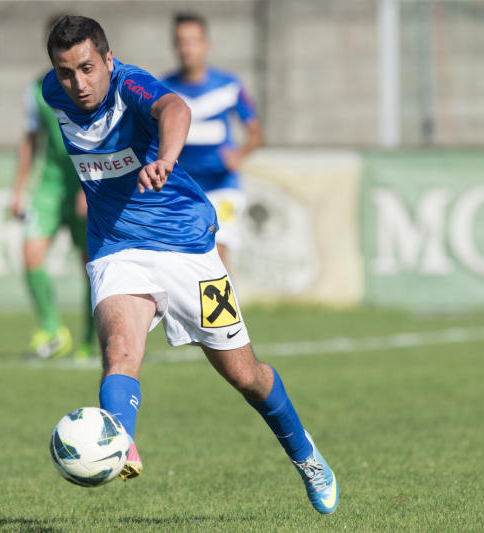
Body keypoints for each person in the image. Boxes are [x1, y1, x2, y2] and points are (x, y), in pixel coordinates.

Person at [43, 16, 338, 514]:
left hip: (185, 245)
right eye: (66, 72)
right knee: (119, 352)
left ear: (108, 60)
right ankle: (120, 443)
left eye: (88, 68)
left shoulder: (129, 84)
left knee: (246, 375)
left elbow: (174, 108)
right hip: (117, 246)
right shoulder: (54, 92)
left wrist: (165, 158)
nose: (78, 83)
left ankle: (305, 454)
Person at [11, 17, 96, 361]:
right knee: (30, 252)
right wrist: (18, 188)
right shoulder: (37, 89)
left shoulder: (90, 86)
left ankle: (91, 339)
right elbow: (30, 140)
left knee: (91, 265)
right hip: (50, 184)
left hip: (85, 182)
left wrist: (90, 185)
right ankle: (52, 329)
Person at [161, 12, 263, 267]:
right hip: (183, 187)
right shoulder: (163, 89)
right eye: (181, 42)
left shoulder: (229, 85)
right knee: (185, 261)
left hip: (222, 184)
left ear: (206, 44)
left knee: (217, 254)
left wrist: (240, 154)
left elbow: (256, 133)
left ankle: (223, 295)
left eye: (193, 41)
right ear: (175, 46)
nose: (187, 49)